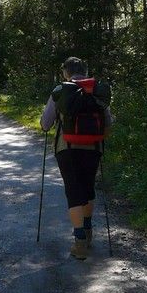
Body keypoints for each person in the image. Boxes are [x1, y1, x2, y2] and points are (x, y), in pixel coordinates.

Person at [39, 56, 113, 260]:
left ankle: (79, 242)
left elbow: (46, 124)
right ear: (85, 70)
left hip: (67, 148)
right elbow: (108, 121)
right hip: (94, 147)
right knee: (88, 188)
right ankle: (88, 231)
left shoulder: (60, 91)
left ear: (66, 72)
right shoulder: (96, 90)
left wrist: (45, 123)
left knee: (73, 191)